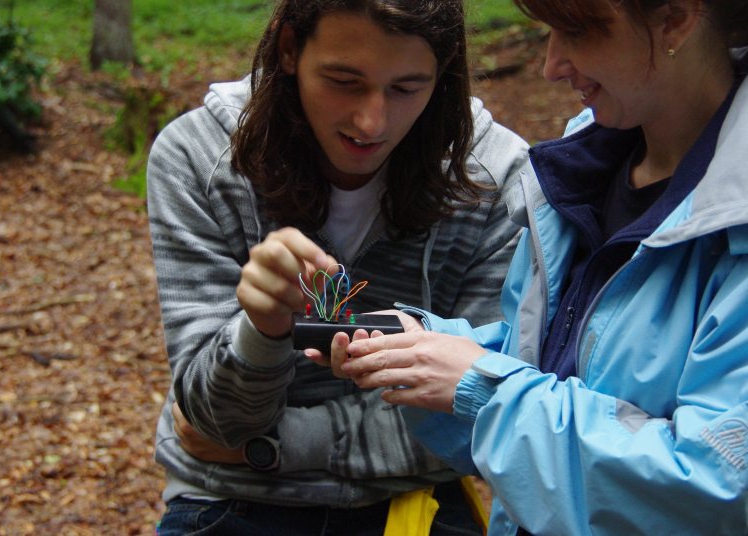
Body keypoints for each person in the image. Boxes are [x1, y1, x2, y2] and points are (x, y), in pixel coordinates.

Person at [340, 0, 748, 534]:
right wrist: (424, 351)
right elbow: (547, 370)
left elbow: (719, 484)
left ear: (676, 17)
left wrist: (484, 388)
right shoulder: (582, 173)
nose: (551, 65)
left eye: (577, 31)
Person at [146, 0, 530, 534]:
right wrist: (261, 329)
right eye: (344, 81)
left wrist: (278, 446)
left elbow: (484, 417)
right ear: (288, 50)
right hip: (230, 502)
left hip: (415, 502)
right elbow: (216, 421)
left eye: (406, 88)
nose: (372, 121)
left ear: (442, 74)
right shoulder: (200, 158)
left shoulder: (494, 180)